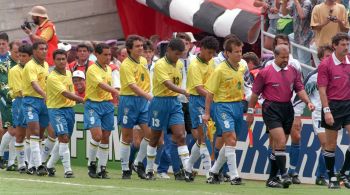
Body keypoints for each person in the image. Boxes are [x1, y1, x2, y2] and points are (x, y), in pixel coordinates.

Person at [247, 44, 314, 188]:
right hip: (271, 108)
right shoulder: (265, 72)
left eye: (287, 57)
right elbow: (254, 95)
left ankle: (272, 178)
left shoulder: (293, 70)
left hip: (287, 108)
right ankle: (284, 174)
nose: (285, 60)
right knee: (281, 141)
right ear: (275, 56)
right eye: (282, 57)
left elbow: (300, 89)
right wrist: (250, 113)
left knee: (278, 147)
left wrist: (308, 102)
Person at [145, 38, 190, 180]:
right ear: (169, 50)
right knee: (155, 138)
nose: (178, 58)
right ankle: (149, 169)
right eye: (176, 54)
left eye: (180, 55)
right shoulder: (160, 65)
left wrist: (183, 94)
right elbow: (168, 84)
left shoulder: (180, 64)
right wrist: (184, 92)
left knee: (181, 136)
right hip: (160, 103)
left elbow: (180, 82)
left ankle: (186, 170)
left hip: (175, 103)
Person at [203, 37, 246, 185]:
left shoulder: (242, 67)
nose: (239, 54)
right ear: (227, 53)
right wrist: (207, 113)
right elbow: (210, 93)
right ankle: (234, 176)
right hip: (223, 106)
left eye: (241, 51)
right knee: (230, 137)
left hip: (238, 106)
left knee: (231, 142)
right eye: (236, 52)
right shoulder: (220, 70)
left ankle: (214, 172)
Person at [293, 45, 333, 186]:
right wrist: (297, 115)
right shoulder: (313, 77)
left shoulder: (340, 73)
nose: (330, 59)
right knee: (326, 144)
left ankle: (321, 175)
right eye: (327, 56)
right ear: (321, 58)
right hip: (319, 115)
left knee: (329, 146)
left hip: (335, 115)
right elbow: (301, 97)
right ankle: (330, 176)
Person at [317, 32, 350, 189]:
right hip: (333, 106)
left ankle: (343, 172)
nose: (346, 47)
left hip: (348, 105)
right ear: (335, 46)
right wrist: (327, 110)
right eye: (342, 45)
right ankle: (331, 177)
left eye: (347, 44)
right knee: (331, 144)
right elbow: (322, 90)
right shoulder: (325, 65)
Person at [45, 49, 84, 178]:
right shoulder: (52, 77)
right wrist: (83, 100)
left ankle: (49, 165)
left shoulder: (68, 73)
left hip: (69, 110)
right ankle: (68, 170)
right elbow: (65, 93)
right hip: (56, 110)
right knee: (64, 137)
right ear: (54, 61)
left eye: (63, 59)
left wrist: (78, 99)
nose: (61, 61)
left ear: (66, 59)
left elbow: (71, 92)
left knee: (63, 140)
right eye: (58, 59)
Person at [185, 36, 219, 180]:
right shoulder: (194, 66)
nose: (211, 56)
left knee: (202, 138)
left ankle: (187, 168)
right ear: (202, 49)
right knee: (204, 136)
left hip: (209, 101)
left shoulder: (211, 63)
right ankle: (209, 172)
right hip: (197, 101)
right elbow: (199, 89)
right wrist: (213, 96)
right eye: (209, 52)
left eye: (213, 53)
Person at [118, 35, 151, 179]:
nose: (141, 48)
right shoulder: (125, 65)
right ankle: (125, 169)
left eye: (141, 45)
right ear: (129, 49)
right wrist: (150, 97)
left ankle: (137, 163)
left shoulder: (143, 60)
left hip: (143, 102)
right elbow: (133, 86)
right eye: (137, 46)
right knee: (126, 136)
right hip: (129, 102)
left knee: (150, 134)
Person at [85, 43, 119, 179]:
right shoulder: (92, 69)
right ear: (97, 55)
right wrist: (116, 92)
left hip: (107, 105)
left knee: (106, 137)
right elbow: (101, 84)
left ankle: (102, 168)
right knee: (97, 136)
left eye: (109, 54)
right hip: (93, 105)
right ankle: (92, 163)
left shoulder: (109, 69)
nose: (108, 57)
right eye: (105, 54)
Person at [21, 40, 49, 176]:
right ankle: (39, 165)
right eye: (41, 49)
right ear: (34, 51)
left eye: (45, 49)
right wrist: (44, 94)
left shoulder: (46, 65)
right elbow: (34, 84)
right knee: (35, 131)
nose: (44, 51)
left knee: (41, 133)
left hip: (43, 103)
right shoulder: (30, 66)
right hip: (31, 101)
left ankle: (31, 165)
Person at [8, 44, 33, 173]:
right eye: (20, 55)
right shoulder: (14, 70)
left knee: (33, 133)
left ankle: (30, 163)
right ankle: (21, 163)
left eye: (24, 56)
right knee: (20, 134)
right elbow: (21, 91)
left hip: (34, 101)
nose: (21, 58)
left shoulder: (35, 68)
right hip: (20, 102)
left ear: (30, 57)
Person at [0, 40, 21, 170]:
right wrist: (12, 96)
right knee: (12, 130)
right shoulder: (4, 65)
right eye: (16, 52)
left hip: (19, 100)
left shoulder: (23, 65)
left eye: (20, 52)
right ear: (10, 50)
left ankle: (11, 162)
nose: (18, 55)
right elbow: (2, 84)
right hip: (6, 100)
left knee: (17, 131)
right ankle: (1, 155)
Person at [310, 0, 349, 65]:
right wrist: (324, 23)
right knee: (322, 70)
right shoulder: (317, 8)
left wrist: (339, 21)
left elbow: (346, 29)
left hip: (337, 47)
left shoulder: (342, 8)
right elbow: (314, 27)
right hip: (321, 47)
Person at [281, 0, 314, 65]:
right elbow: (284, 13)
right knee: (296, 62)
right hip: (297, 36)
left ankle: (306, 75)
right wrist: (284, 2)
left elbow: (302, 15)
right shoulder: (295, 3)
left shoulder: (307, 2)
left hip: (306, 38)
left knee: (304, 63)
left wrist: (296, 2)